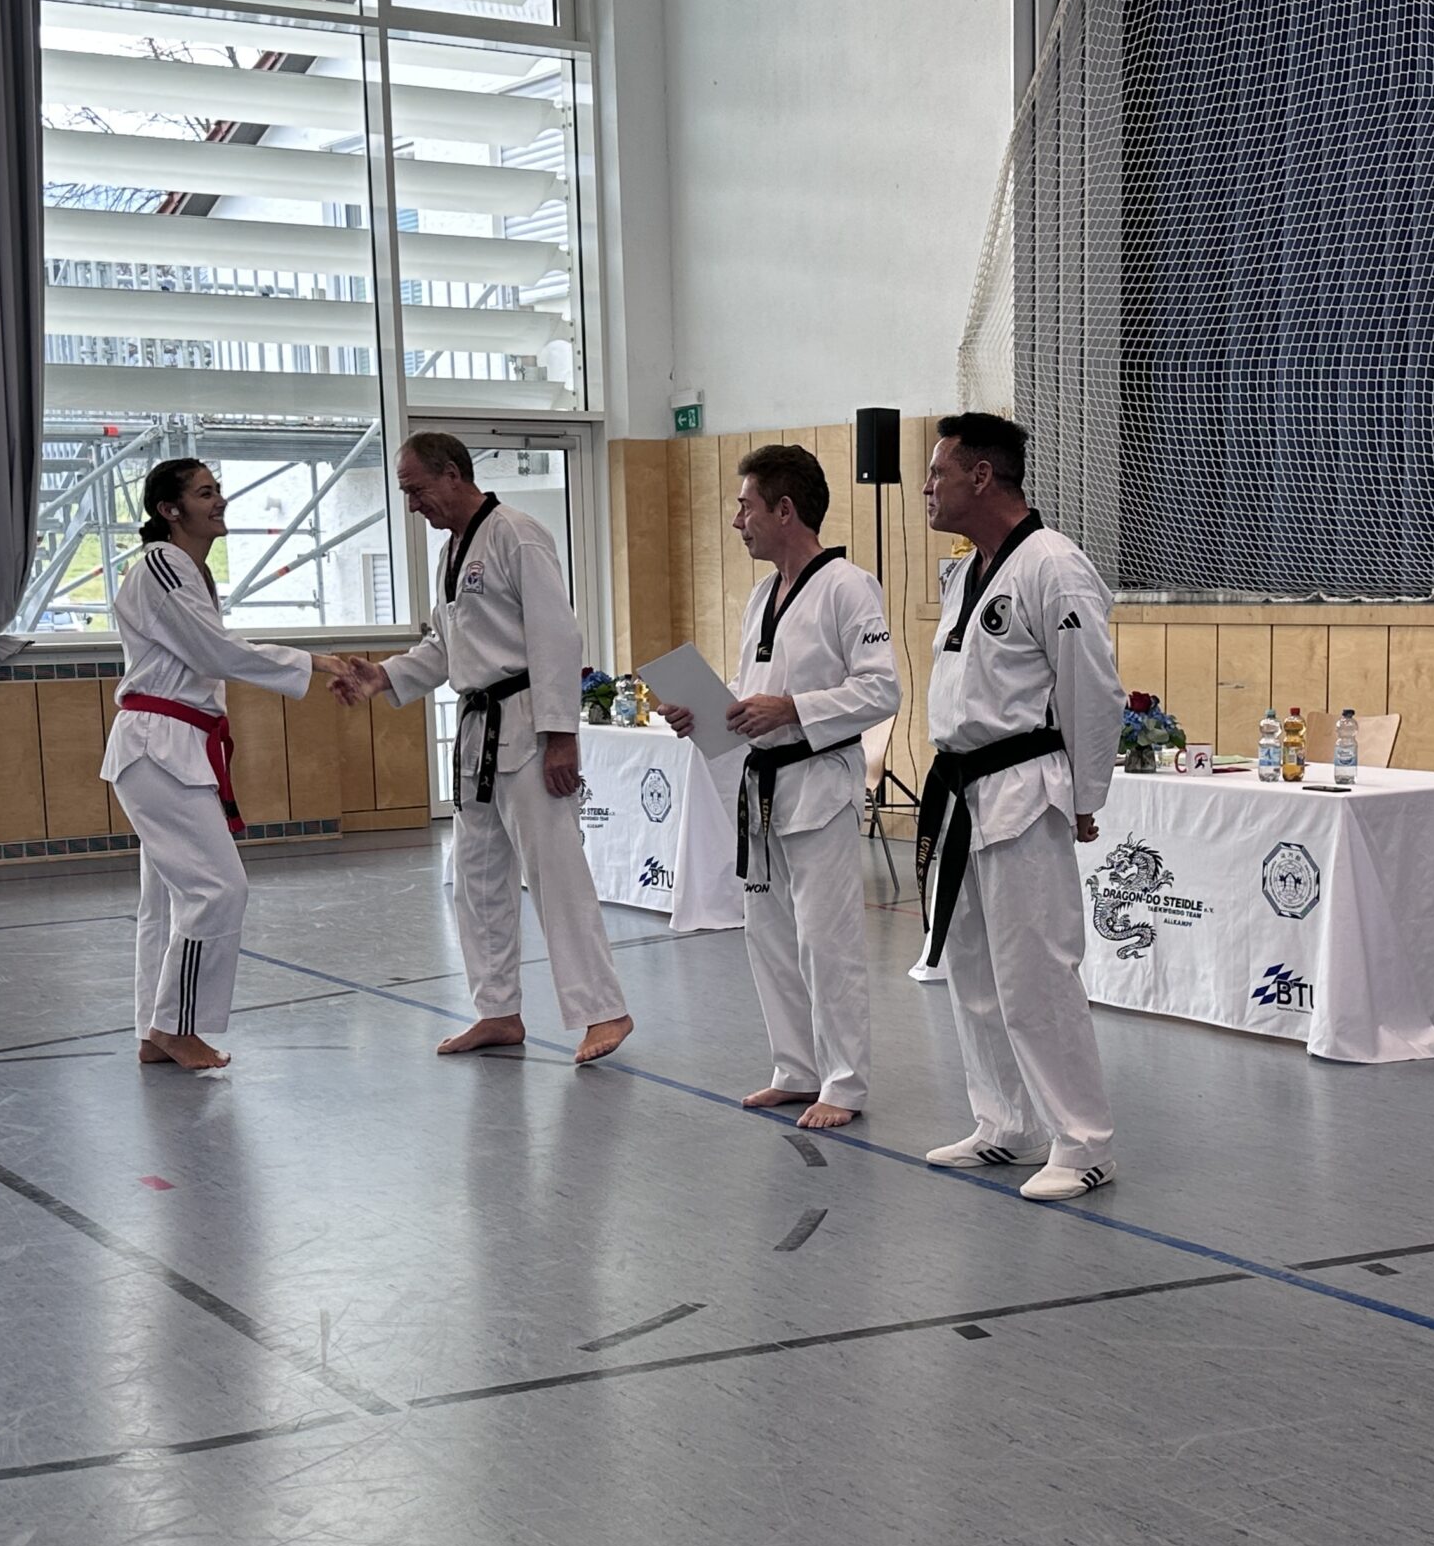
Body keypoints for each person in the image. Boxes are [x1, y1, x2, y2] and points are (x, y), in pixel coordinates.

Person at [333, 434, 633, 1065]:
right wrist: (382, 676)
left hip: (528, 725)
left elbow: (557, 637)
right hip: (478, 732)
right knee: (476, 881)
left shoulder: (515, 535)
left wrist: (561, 736)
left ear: (452, 474)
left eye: (416, 489)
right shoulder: (452, 552)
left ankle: (603, 1010)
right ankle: (497, 1010)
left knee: (555, 874)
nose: (412, 505)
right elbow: (445, 648)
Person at [657, 444, 898, 1129]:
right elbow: (752, 691)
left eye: (746, 507)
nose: (738, 522)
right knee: (767, 939)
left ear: (784, 510)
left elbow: (882, 690)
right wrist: (703, 711)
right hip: (760, 788)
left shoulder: (849, 586)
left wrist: (793, 710)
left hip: (820, 784)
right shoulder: (763, 595)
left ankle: (844, 1084)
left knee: (827, 943)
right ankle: (796, 1069)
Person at [916, 412, 1124, 1202]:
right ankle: (1005, 1122)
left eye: (938, 473)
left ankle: (1085, 1142)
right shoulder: (967, 571)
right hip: (962, 788)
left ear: (981, 476)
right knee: (972, 970)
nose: (926, 488)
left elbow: (1092, 691)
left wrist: (1086, 796)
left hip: (1023, 789)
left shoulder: (1053, 565)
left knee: (1037, 973)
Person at [101, 458, 356, 1071]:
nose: (219, 501)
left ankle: (154, 1030)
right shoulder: (162, 564)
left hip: (172, 744)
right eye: (204, 493)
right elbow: (212, 651)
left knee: (168, 897)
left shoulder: (186, 571)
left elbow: (206, 651)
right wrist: (312, 662)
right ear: (169, 510)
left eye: (218, 490)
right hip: (158, 744)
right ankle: (177, 1027)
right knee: (217, 888)